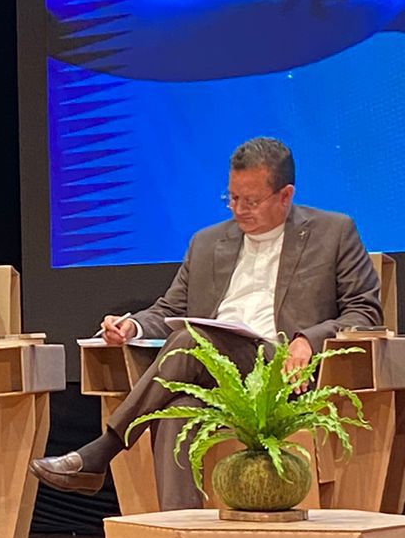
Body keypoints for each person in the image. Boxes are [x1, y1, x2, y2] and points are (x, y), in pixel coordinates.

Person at [30, 137, 383, 510]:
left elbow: (365, 311)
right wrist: (131, 327)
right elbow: (169, 308)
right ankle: (179, 536)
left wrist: (307, 340)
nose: (239, 209)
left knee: (189, 342)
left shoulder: (333, 232)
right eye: (231, 198)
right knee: (175, 412)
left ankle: (104, 449)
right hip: (213, 374)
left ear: (285, 195)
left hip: (279, 371)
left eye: (251, 201)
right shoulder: (207, 242)